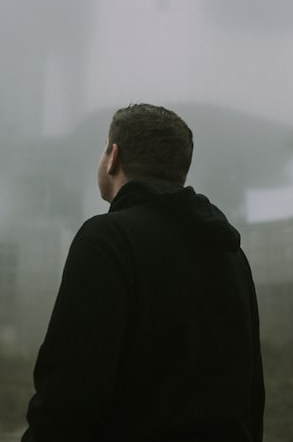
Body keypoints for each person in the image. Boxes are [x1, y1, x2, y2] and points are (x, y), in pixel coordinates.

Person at [22, 103, 264, 441]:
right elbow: (251, 392)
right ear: (181, 170)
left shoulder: (106, 240)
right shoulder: (230, 253)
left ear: (113, 157)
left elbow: (70, 395)